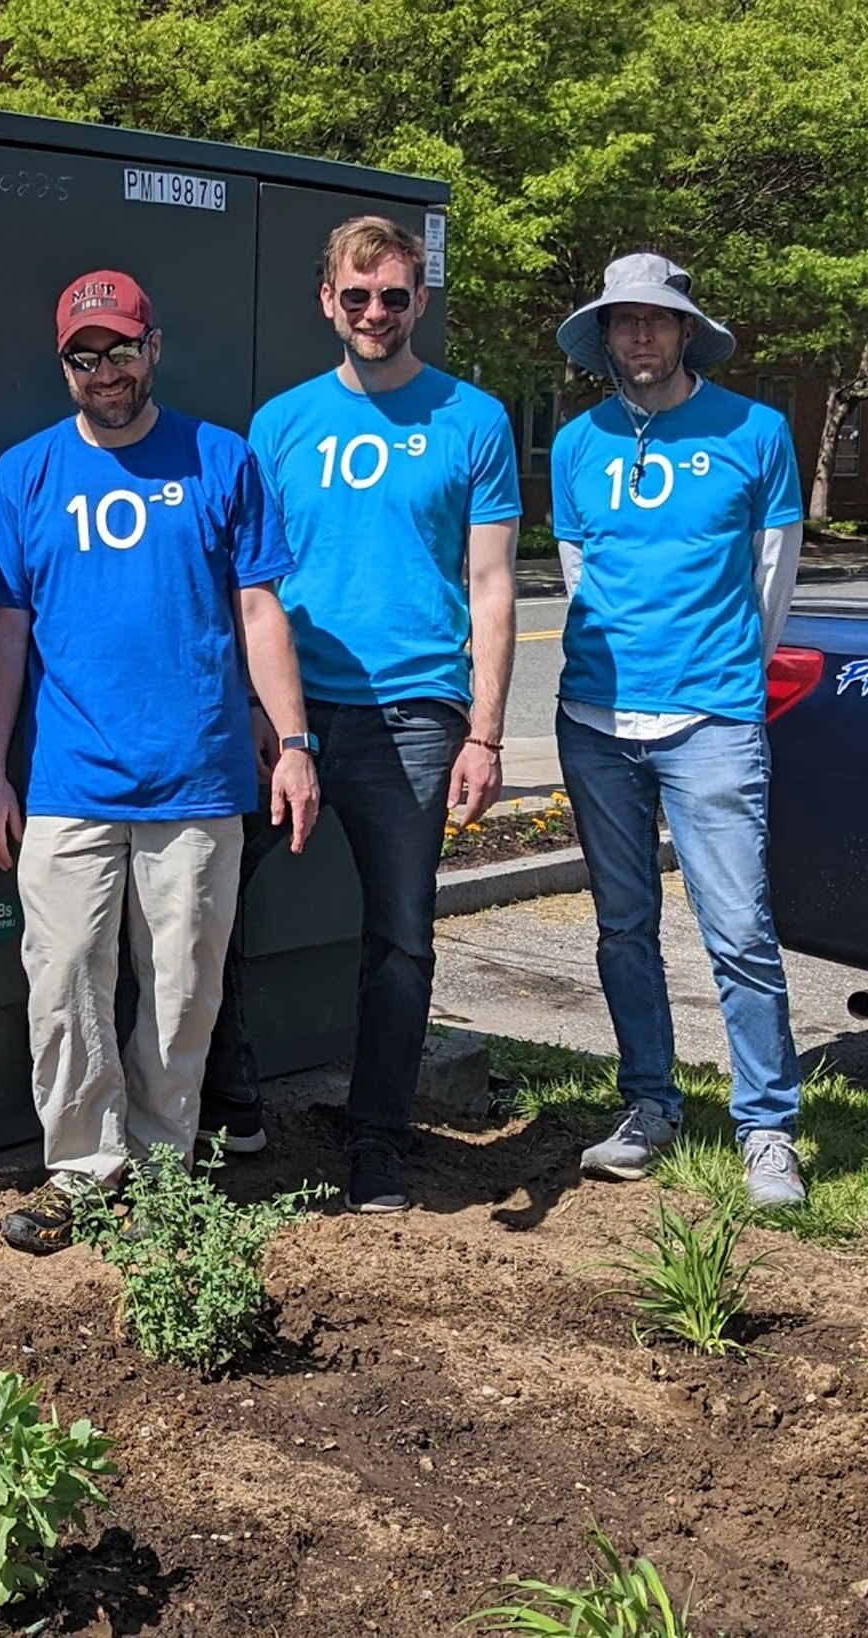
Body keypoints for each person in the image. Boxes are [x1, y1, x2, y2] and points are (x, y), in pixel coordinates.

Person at [0, 270, 320, 1255]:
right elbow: (8, 637)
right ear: (63, 366)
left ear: (153, 346)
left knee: (180, 989)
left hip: (200, 779)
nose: (104, 371)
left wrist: (291, 743)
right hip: (66, 783)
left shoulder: (221, 460)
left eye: (120, 348)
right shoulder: (22, 476)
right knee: (64, 983)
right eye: (84, 356)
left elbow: (260, 612)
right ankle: (82, 1174)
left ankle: (164, 1170)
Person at [243, 215, 521, 1212]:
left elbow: (490, 588)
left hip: (412, 716)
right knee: (204, 905)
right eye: (354, 296)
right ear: (326, 301)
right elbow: (253, 587)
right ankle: (225, 1106)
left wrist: (484, 731)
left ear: (418, 301)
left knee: (400, 940)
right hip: (289, 717)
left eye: (392, 296)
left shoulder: (473, 421)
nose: (372, 313)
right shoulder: (278, 426)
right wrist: (267, 721)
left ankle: (377, 1143)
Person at [551, 253, 807, 1209]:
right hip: (595, 721)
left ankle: (768, 1127)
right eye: (625, 321)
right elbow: (581, 580)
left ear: (686, 328)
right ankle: (649, 1104)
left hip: (713, 721)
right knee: (624, 926)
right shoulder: (577, 444)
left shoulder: (758, 432)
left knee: (738, 927)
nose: (642, 335)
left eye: (658, 319)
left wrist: (725, 675)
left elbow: (770, 578)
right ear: (606, 337)